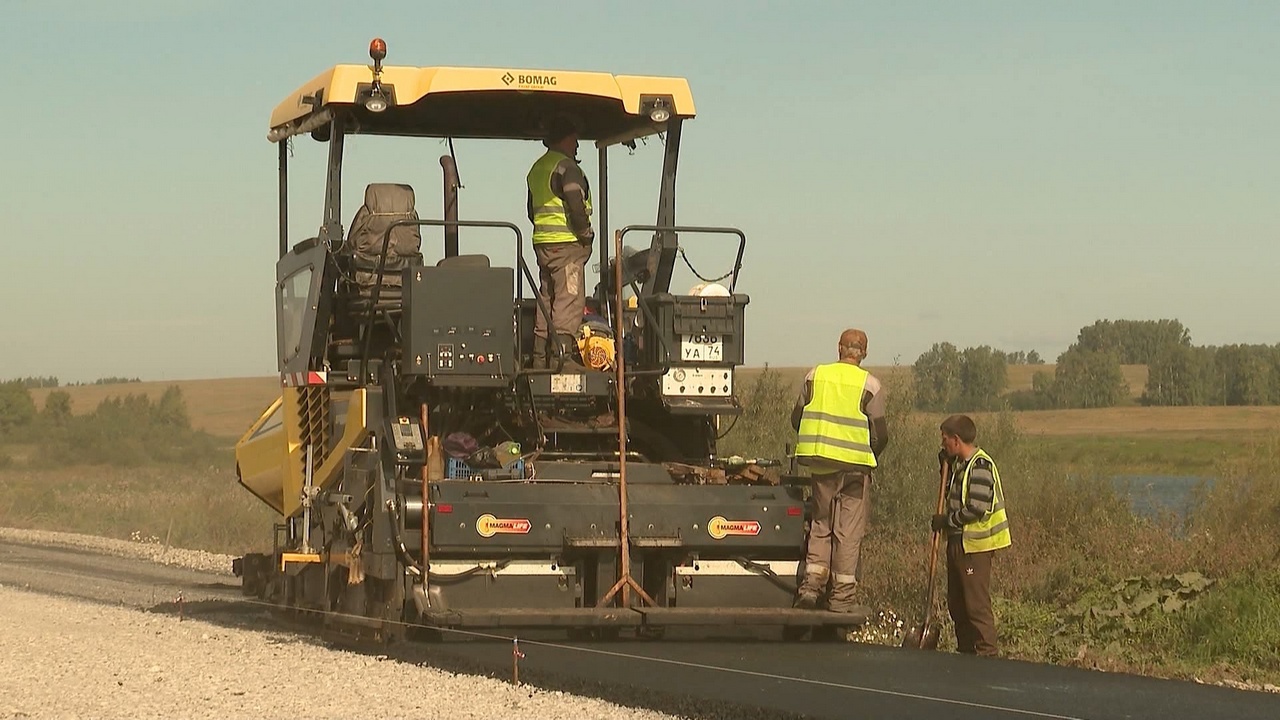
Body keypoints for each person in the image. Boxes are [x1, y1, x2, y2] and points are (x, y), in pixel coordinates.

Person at [791, 329, 889, 612]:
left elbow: (797, 418)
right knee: (848, 532)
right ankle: (841, 598)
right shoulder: (871, 385)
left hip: (821, 465)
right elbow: (881, 434)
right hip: (856, 471)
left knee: (821, 525)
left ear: (839, 348)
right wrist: (869, 455)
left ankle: (810, 589)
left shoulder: (815, 376)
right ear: (865, 352)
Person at [932, 414, 1012, 656]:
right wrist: (942, 468)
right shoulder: (960, 466)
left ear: (956, 440)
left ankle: (987, 654)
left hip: (975, 547)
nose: (943, 444)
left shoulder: (979, 466)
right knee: (957, 605)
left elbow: (976, 508)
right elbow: (952, 496)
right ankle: (966, 652)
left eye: (945, 440)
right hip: (958, 543)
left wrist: (947, 520)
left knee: (975, 605)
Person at [526, 112, 595, 368]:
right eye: (574, 139)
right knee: (569, 300)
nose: (577, 145)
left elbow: (531, 210)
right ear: (565, 139)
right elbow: (576, 204)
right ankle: (562, 361)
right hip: (567, 246)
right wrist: (585, 233)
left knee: (547, 300)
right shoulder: (568, 168)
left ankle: (539, 359)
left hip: (543, 245)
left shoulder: (537, 169)